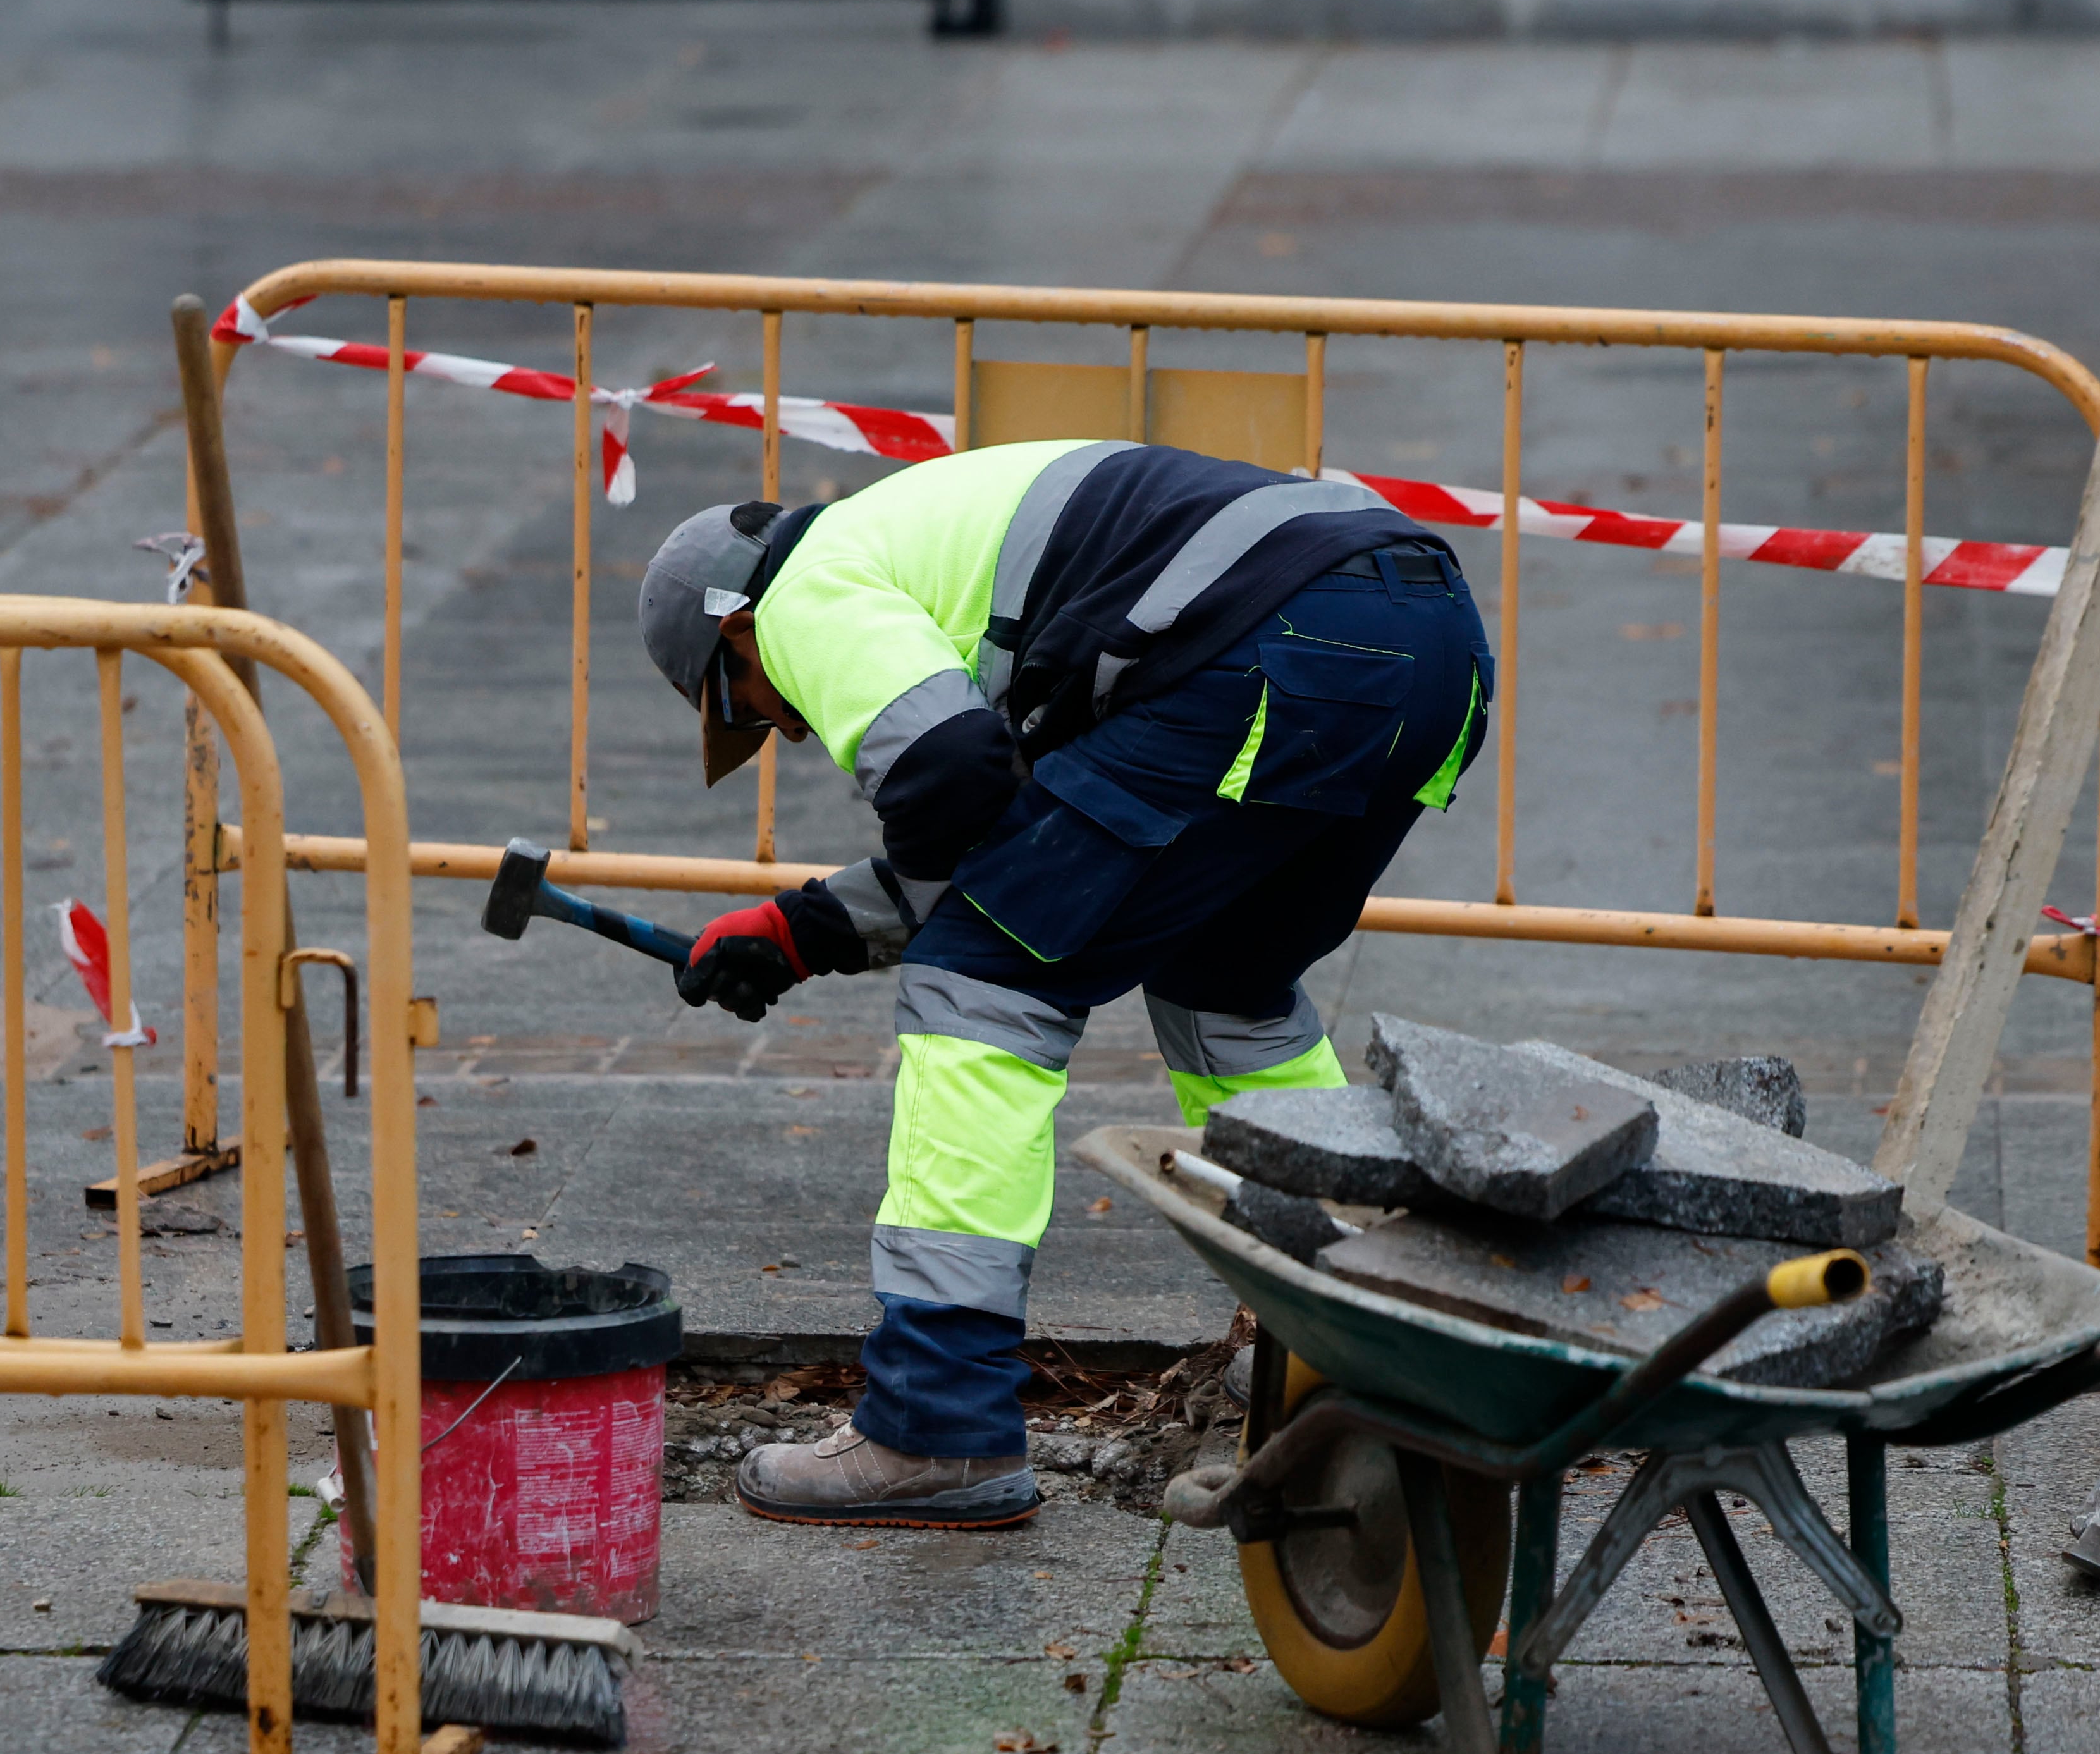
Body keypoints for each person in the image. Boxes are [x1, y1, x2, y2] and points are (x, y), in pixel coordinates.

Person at [635, 439, 1488, 1528]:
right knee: (1225, 979)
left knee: (976, 990)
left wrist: (838, 925)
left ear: (736, 630)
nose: (790, 723)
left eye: (751, 703)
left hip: (1271, 649)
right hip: (1423, 639)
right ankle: (1337, 1336)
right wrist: (804, 931)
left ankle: (935, 1429)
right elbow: (1028, 830)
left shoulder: (808, 589)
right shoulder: (948, 553)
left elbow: (952, 784)